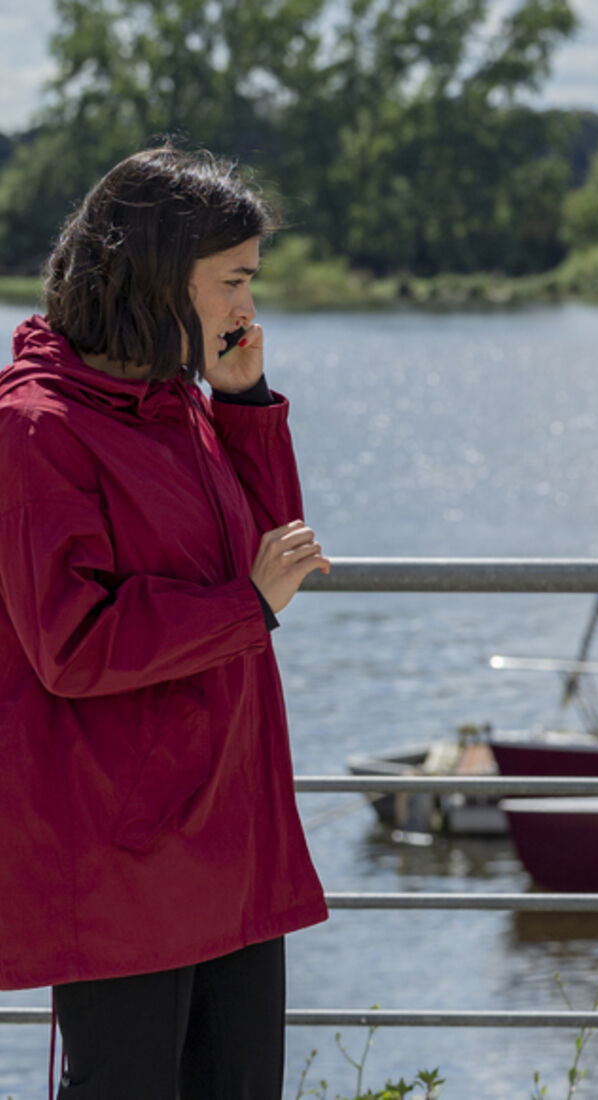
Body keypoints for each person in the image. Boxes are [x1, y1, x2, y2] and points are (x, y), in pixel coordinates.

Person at [0, 147, 331, 1098]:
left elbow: (273, 563)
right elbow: (72, 643)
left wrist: (245, 406)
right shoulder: (37, 426)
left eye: (251, 280)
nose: (248, 307)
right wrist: (243, 606)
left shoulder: (178, 401)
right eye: (233, 281)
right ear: (155, 274)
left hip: (231, 826)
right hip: (123, 853)